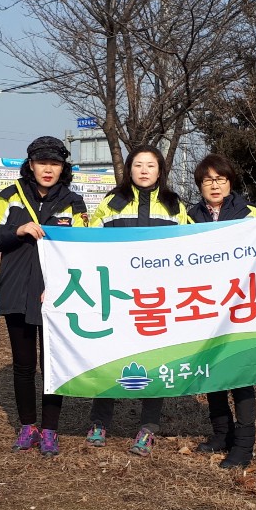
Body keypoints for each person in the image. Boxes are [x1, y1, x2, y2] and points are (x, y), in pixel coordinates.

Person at [0, 136, 87, 457]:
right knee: (23, 365)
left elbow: (82, 249)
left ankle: (51, 430)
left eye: (55, 164)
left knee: (52, 365)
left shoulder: (74, 203)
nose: (48, 169)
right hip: (15, 290)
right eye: (42, 163)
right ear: (30, 165)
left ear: (63, 168)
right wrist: (18, 230)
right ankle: (28, 427)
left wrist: (59, 286)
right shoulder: (10, 196)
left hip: (56, 295)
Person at [85, 144, 192, 457]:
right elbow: (88, 243)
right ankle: (99, 423)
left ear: (160, 171)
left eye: (151, 165)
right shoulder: (112, 203)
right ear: (128, 169)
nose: (144, 170)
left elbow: (191, 247)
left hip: (156, 298)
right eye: (138, 165)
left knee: (155, 360)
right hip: (117, 294)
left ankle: (148, 428)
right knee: (109, 356)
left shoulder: (174, 205)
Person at [186, 152, 256, 469]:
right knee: (211, 371)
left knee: (241, 374)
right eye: (208, 180)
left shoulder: (250, 213)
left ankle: (243, 446)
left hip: (240, 307)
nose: (214, 185)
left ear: (230, 182)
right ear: (200, 185)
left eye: (220, 179)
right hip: (203, 306)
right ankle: (221, 435)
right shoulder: (189, 217)